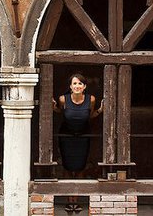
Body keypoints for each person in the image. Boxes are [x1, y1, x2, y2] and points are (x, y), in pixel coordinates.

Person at [52, 73, 103, 213]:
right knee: (67, 167)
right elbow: (59, 112)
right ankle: (70, 201)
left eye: (80, 83)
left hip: (83, 137)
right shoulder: (63, 99)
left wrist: (100, 110)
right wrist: (53, 107)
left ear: (84, 86)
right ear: (70, 86)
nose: (77, 86)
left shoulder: (91, 99)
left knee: (80, 167)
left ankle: (77, 200)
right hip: (66, 137)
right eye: (74, 83)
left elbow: (90, 115)